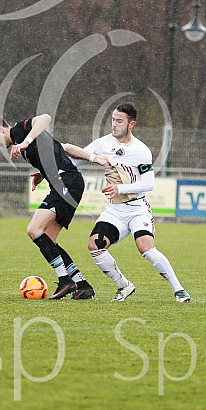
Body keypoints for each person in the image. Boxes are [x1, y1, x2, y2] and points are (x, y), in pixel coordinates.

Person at [63, 103, 191, 302]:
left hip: (138, 208)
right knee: (95, 245)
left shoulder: (141, 150)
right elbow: (74, 161)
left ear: (131, 124)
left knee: (145, 247)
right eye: (113, 120)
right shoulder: (102, 144)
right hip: (115, 210)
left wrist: (119, 188)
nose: (114, 124)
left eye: (119, 121)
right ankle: (124, 286)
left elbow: (148, 183)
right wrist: (46, 173)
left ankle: (179, 289)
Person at [0, 113, 100, 300]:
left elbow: (45, 117)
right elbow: (63, 149)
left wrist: (26, 141)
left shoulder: (20, 130)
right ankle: (82, 285)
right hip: (67, 183)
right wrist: (42, 173)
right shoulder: (23, 142)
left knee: (34, 229)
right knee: (49, 239)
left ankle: (65, 280)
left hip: (66, 182)